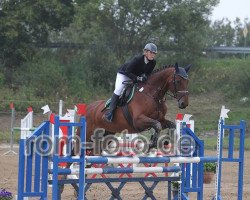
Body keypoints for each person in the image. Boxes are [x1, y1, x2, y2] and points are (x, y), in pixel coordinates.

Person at [103, 43, 157, 123]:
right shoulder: (137, 59)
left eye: (154, 53)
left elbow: (148, 73)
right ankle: (110, 113)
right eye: (151, 52)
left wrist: (144, 77)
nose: (153, 55)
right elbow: (127, 71)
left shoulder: (153, 63)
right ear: (145, 52)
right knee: (118, 90)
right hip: (124, 74)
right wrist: (138, 78)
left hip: (136, 76)